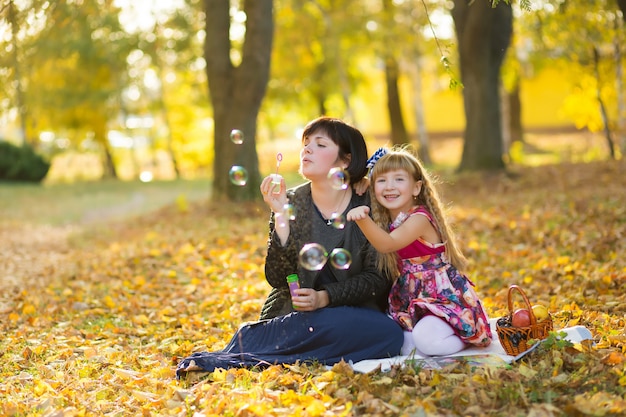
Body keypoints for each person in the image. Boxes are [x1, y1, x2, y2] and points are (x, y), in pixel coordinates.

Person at [176, 117, 403, 380]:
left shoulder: (368, 203)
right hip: (297, 315)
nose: (307, 149)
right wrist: (281, 216)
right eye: (305, 143)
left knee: (390, 335)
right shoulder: (291, 201)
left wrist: (325, 297)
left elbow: (378, 278)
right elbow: (278, 278)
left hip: (351, 314)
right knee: (322, 330)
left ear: (345, 160)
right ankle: (259, 346)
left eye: (319, 144)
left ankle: (257, 343)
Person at [346, 147, 492, 356]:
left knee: (426, 342)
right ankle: (432, 337)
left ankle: (468, 336)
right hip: (411, 298)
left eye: (398, 179)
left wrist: (362, 219)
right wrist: (366, 183)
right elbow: (380, 192)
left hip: (442, 298)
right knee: (399, 345)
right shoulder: (389, 219)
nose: (389, 187)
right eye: (382, 181)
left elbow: (387, 244)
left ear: (416, 188)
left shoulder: (419, 218)